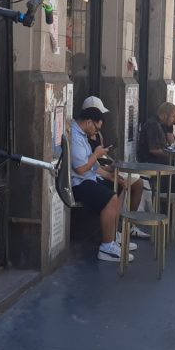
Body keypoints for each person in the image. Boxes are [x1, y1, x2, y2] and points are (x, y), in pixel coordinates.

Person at [70, 107, 136, 262]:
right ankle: (106, 247)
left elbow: (93, 167)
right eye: (96, 128)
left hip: (89, 178)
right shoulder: (74, 136)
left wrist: (110, 175)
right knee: (110, 198)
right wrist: (97, 154)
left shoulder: (82, 135)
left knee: (119, 186)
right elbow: (81, 169)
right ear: (88, 122)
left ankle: (113, 236)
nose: (96, 132)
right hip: (78, 183)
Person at [81, 96, 150, 239]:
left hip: (102, 166)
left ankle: (128, 226)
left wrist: (111, 162)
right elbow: (85, 165)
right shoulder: (82, 136)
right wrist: (107, 169)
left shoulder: (98, 134)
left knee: (137, 183)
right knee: (122, 185)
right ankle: (116, 231)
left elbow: (100, 155)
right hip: (94, 172)